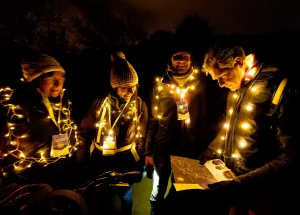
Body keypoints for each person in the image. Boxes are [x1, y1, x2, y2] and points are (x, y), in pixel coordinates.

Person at [199, 40, 300, 215]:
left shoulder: (277, 89)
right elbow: (229, 128)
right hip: (236, 189)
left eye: (222, 76)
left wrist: (241, 183)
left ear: (238, 62)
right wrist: (210, 152)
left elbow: (291, 155)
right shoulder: (236, 90)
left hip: (265, 196)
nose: (220, 84)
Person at [145, 44, 222, 215]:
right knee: (157, 190)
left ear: (191, 59)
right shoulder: (160, 84)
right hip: (163, 148)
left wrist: (203, 146)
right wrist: (148, 152)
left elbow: (205, 117)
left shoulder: (200, 83)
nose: (181, 61)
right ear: (170, 59)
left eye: (185, 57)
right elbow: (153, 119)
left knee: (181, 192)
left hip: (189, 148)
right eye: (177, 56)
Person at [76, 52, 148, 215]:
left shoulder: (139, 105)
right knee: (102, 196)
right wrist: (81, 158)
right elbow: (85, 131)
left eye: (133, 86)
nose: (130, 91)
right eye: (124, 87)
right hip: (101, 160)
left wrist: (141, 159)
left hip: (127, 161)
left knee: (126, 195)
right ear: (115, 86)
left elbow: (143, 135)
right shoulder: (100, 103)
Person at [0, 53, 79, 197]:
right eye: (51, 78)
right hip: (30, 186)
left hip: (58, 178)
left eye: (61, 78)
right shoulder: (18, 109)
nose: (58, 84)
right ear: (36, 79)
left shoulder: (60, 105)